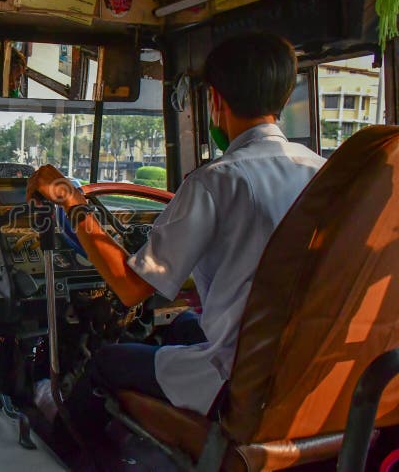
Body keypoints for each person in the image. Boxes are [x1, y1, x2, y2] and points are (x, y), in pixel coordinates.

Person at [26, 32, 325, 427]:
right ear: (284, 99)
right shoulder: (320, 171)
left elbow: (131, 287)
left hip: (240, 377)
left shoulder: (216, 181)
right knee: (181, 325)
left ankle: (61, 435)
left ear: (215, 101)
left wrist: (71, 200)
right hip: (301, 364)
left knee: (104, 362)